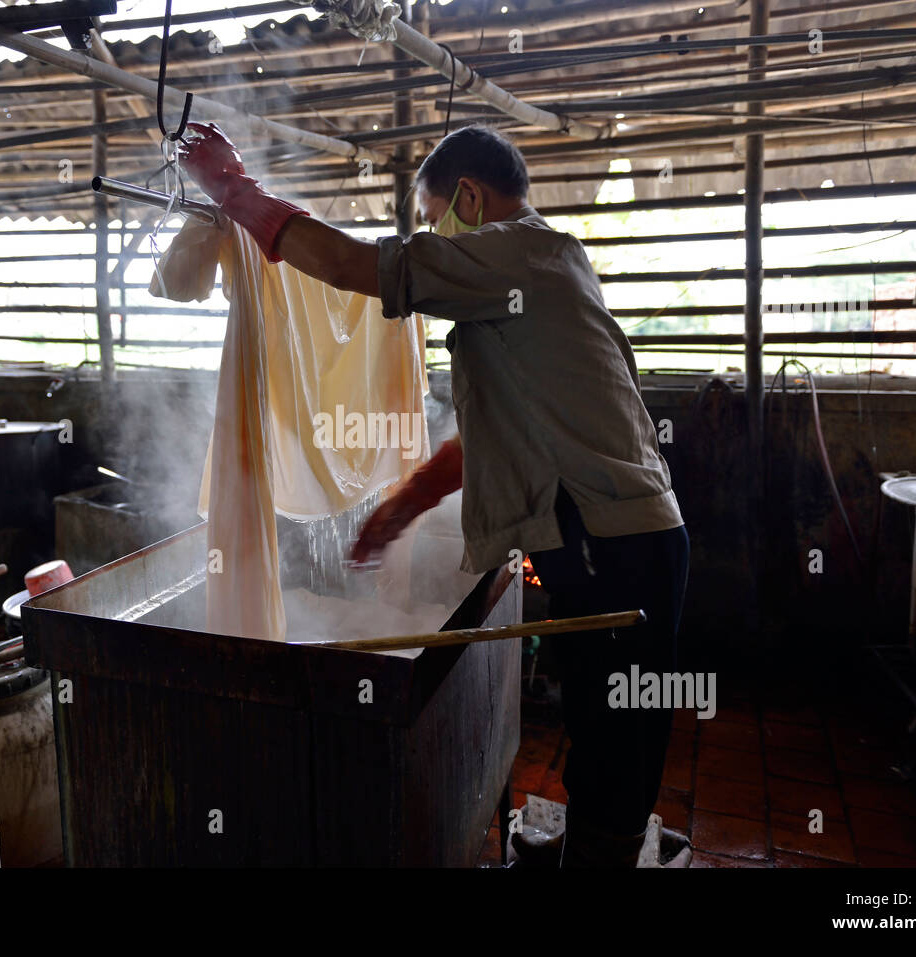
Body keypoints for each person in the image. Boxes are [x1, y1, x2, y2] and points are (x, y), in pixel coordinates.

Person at [181, 122, 690, 867]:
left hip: (617, 546)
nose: (429, 240)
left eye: (431, 220)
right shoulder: (542, 268)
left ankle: (599, 855)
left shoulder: (513, 255)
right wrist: (400, 508)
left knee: (614, 739)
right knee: (609, 723)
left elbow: (356, 267)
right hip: (627, 542)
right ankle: (595, 844)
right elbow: (487, 436)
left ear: (472, 198)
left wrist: (237, 193)